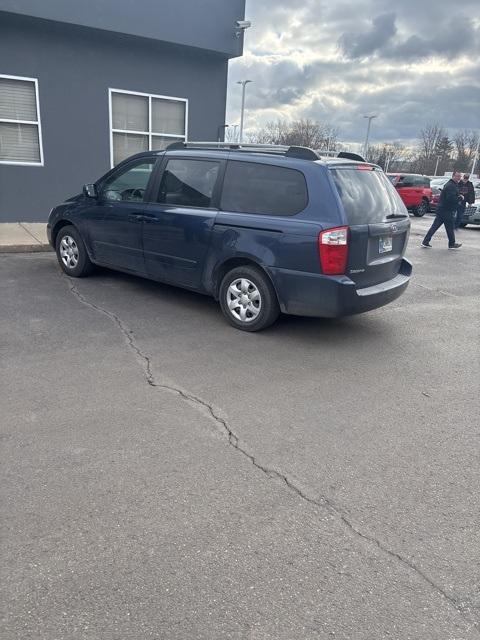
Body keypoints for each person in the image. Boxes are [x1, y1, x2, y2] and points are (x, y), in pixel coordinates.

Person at [422, 170, 463, 249]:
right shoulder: (451, 185)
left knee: (435, 227)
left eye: (459, 176)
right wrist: (460, 198)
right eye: (457, 176)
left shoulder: (452, 184)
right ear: (453, 176)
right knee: (450, 227)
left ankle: (425, 241)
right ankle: (451, 244)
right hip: (447, 210)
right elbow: (450, 198)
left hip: (442, 209)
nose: (459, 178)